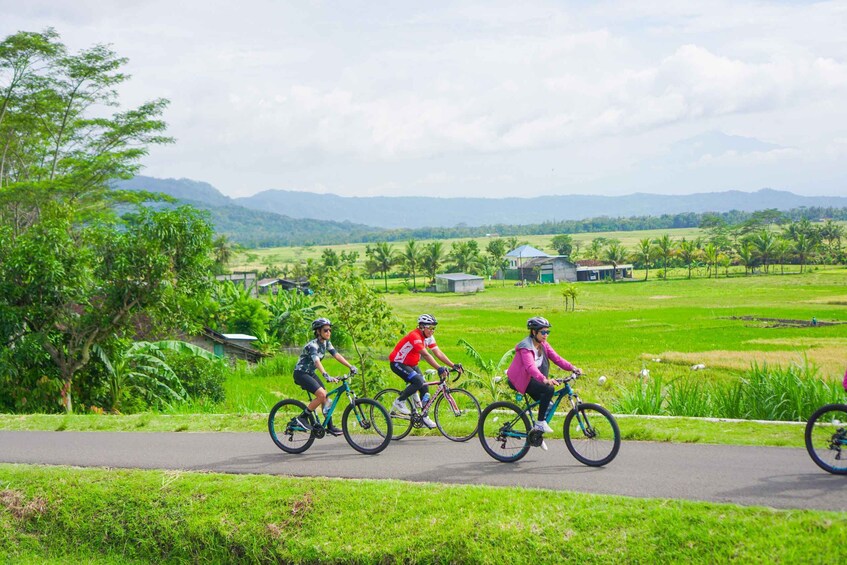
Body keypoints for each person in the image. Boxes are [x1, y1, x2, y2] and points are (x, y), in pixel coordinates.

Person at [506, 316, 581, 437]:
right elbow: (530, 367)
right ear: (534, 332)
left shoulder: (543, 344)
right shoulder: (526, 347)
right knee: (549, 389)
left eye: (548, 332)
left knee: (548, 405)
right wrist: (545, 380)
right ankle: (540, 423)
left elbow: (557, 359)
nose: (546, 335)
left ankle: (536, 435)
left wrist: (573, 368)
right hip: (519, 380)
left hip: (531, 378)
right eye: (543, 332)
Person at [388, 314, 463, 428]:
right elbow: (426, 355)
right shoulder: (415, 336)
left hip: (412, 364)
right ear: (422, 327)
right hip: (398, 363)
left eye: (434, 328)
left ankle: (424, 417)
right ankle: (399, 401)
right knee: (418, 381)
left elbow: (438, 353)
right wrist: (439, 368)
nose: (432, 331)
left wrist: (453, 365)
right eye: (430, 328)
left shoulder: (428, 338)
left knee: (424, 387)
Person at [292, 317, 358, 436]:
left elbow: (336, 355)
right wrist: (326, 375)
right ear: (318, 331)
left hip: (310, 373)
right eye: (326, 330)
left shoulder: (326, 343)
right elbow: (316, 361)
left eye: (330, 330)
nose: (329, 332)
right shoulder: (313, 345)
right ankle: (302, 418)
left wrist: (350, 366)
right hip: (301, 373)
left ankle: (330, 427)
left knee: (325, 397)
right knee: (321, 395)